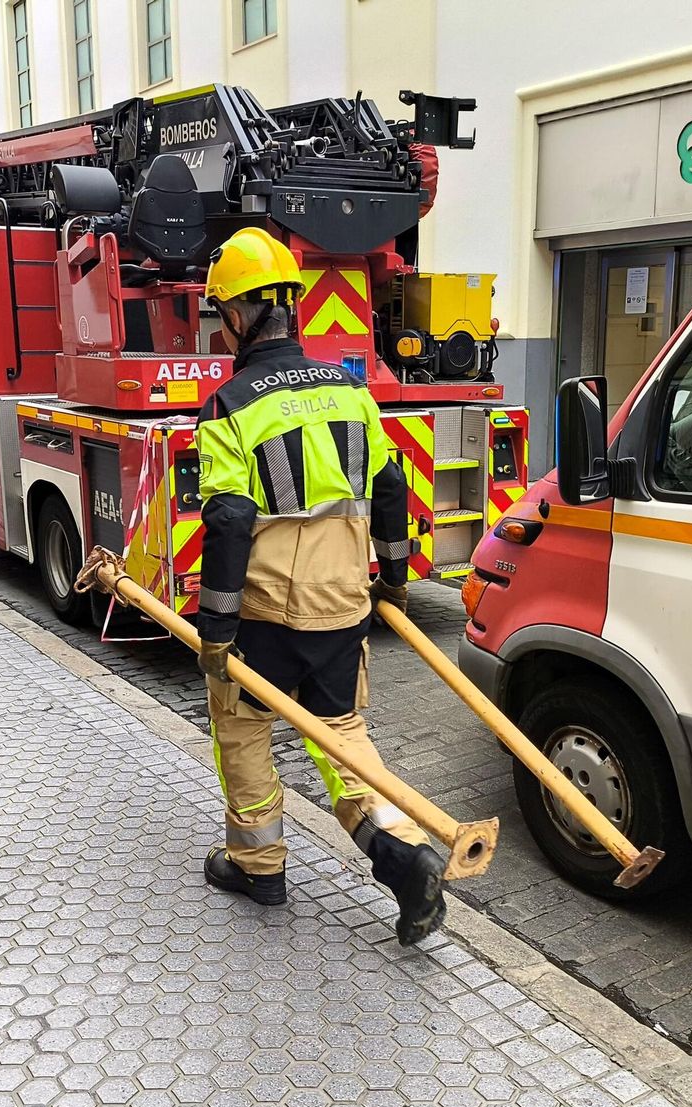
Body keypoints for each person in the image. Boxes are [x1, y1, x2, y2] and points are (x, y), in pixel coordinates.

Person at [194, 227, 446, 946]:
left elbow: (232, 519)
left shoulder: (230, 404)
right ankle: (403, 859)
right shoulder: (349, 389)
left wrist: (215, 634)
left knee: (242, 731)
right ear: (290, 309)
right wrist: (393, 583)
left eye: (222, 314)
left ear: (239, 315)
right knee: (341, 739)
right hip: (343, 607)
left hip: (265, 615)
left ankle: (260, 866)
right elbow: (392, 486)